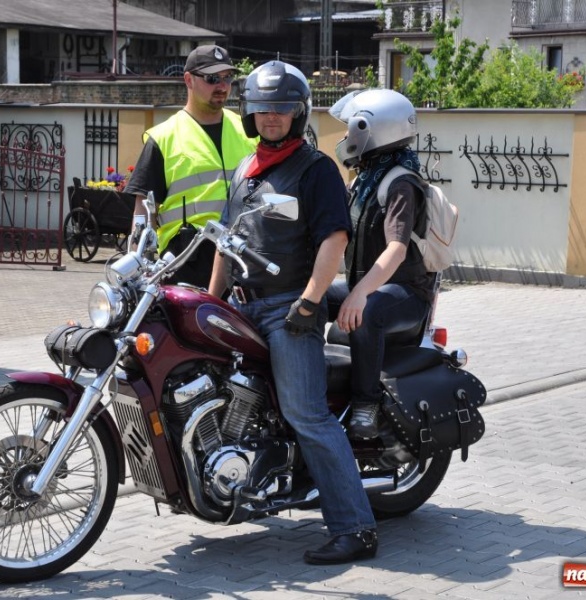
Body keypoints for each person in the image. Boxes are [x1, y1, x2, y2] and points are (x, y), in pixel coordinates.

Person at [207, 60, 377, 565]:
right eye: (263, 108)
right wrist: (211, 302)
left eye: (281, 108)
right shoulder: (247, 168)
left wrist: (309, 300)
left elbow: (334, 239)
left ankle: (356, 528)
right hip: (242, 305)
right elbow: (225, 242)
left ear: (298, 113)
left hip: (287, 307)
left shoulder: (315, 168)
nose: (271, 116)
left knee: (306, 412)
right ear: (249, 113)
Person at [327, 89, 437, 440]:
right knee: (311, 300)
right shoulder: (365, 179)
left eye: (349, 128)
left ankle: (366, 404)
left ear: (369, 129)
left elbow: (396, 250)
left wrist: (359, 293)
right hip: (369, 284)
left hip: (406, 292)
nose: (344, 136)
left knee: (367, 312)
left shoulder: (401, 184)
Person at [125, 44, 257, 288]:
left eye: (227, 78)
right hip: (186, 262)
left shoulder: (248, 131)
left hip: (242, 259)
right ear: (189, 80)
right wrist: (135, 267)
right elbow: (143, 211)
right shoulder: (163, 137)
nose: (222, 86)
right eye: (212, 78)